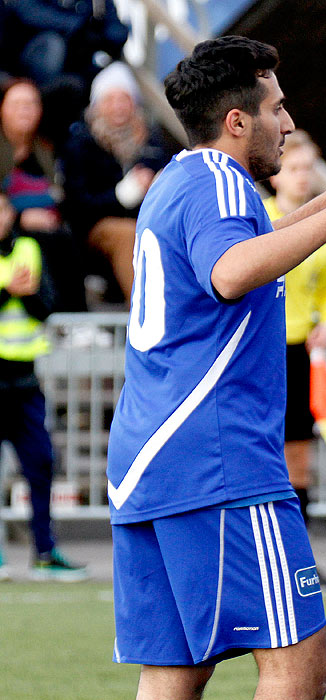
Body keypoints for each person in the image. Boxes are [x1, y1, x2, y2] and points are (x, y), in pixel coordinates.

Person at [105, 35, 326, 700]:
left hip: (152, 460)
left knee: (174, 671)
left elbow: (255, 247)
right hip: (217, 463)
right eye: (278, 107)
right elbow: (231, 272)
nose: (289, 121)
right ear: (237, 121)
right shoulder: (221, 183)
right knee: (300, 663)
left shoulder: (183, 180)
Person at [261, 129, 326, 588]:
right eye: (293, 168)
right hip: (259, 353)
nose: (301, 178)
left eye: (308, 169)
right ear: (275, 174)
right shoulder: (260, 219)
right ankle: (258, 560)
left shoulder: (324, 230)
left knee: (300, 461)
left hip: (298, 353)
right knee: (258, 453)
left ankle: (299, 563)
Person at [0, 191, 87, 581]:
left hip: (24, 381)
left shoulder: (31, 250)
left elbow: (48, 304)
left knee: (40, 464)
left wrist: (30, 294)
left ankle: (45, 552)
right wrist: (8, 293)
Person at [60, 62, 174, 306]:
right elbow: (76, 205)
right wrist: (119, 196)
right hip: (97, 229)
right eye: (110, 99)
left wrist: (156, 185)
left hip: (146, 220)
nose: (118, 106)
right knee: (129, 235)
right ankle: (146, 311)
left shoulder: (151, 140)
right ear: (97, 104)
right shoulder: (80, 142)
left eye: (124, 98)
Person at [0, 78, 86, 311]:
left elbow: (73, 90)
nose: (25, 110)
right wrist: (20, 217)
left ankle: (77, 319)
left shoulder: (47, 149)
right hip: (9, 233)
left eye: (31, 103)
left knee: (67, 238)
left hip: (53, 229)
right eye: (17, 103)